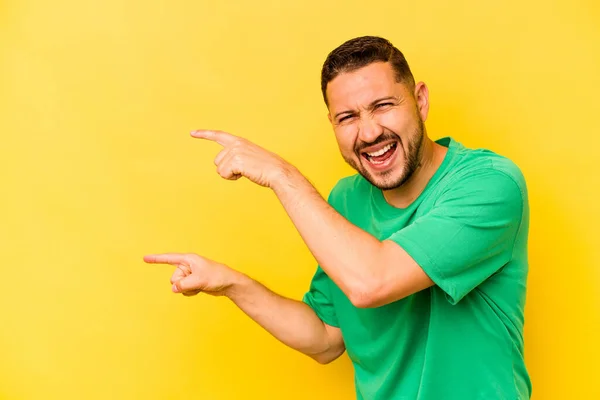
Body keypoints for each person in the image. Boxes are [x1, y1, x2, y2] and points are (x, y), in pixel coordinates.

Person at [144, 36, 531, 399]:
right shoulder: (346, 201)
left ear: (420, 101)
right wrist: (230, 283)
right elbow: (326, 337)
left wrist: (283, 175)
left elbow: (372, 282)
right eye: (347, 117)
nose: (368, 132)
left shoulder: (490, 185)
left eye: (383, 105)